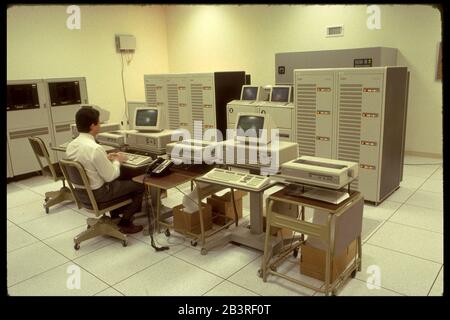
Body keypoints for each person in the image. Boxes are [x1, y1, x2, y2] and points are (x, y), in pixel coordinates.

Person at [66, 106, 144, 234]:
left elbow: (85, 163)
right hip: (99, 194)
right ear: (93, 126)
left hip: (82, 194)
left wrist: (105, 158)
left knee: (122, 180)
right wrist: (118, 160)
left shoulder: (72, 145)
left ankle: (115, 217)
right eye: (99, 122)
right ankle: (125, 222)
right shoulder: (95, 149)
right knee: (140, 184)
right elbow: (110, 176)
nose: (100, 124)